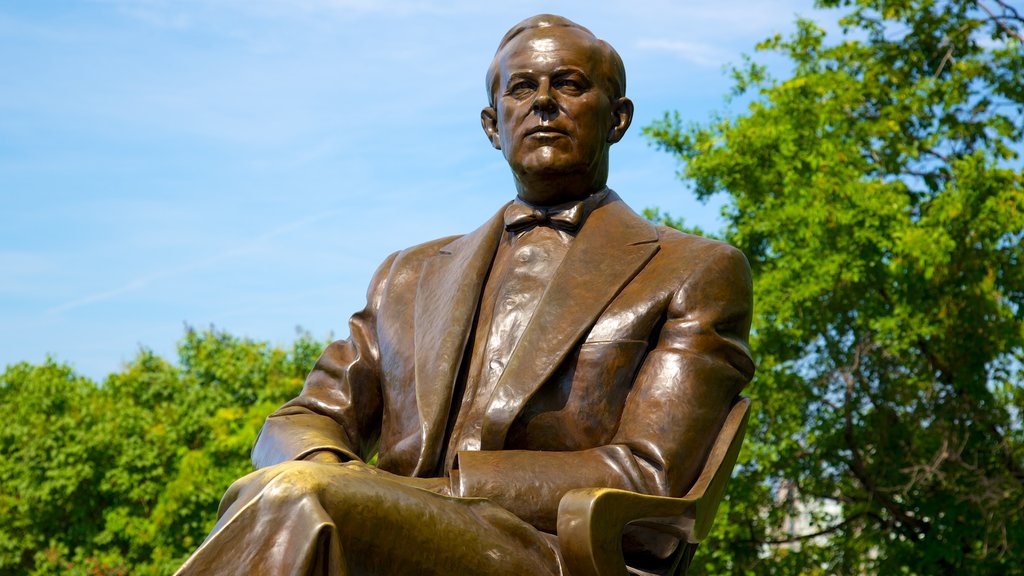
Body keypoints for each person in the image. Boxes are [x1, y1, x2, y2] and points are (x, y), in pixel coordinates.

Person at [176, 14, 754, 576]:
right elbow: (303, 418)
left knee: (303, 497)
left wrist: (432, 490)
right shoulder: (407, 275)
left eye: (570, 85)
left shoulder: (694, 269)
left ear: (618, 118)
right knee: (288, 485)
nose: (543, 102)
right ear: (491, 124)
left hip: (546, 551)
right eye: (521, 88)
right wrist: (331, 468)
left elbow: (649, 477)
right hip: (367, 520)